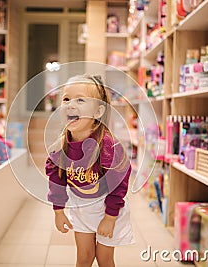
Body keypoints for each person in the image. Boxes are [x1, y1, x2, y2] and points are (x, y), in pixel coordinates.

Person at [45, 74, 134, 267]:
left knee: (104, 259)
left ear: (98, 111)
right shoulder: (60, 147)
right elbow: (56, 180)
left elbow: (119, 184)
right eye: (66, 99)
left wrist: (110, 217)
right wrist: (58, 211)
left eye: (80, 100)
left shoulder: (108, 146)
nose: (70, 104)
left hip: (108, 207)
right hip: (81, 207)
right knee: (84, 258)